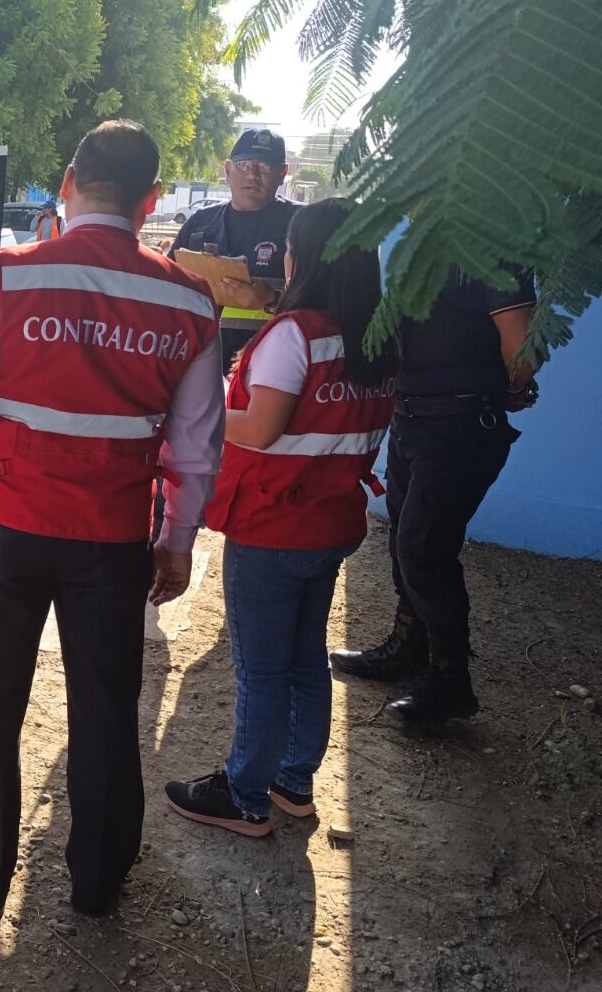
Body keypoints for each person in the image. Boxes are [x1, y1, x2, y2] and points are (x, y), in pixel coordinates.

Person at [0, 120, 225, 917]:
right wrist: (176, 542)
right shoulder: (187, 301)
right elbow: (196, 446)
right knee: (109, 709)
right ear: (151, 200)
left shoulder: (10, 275)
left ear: (68, 181)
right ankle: (98, 880)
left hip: (8, 528)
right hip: (113, 540)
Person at [163, 200, 394, 836]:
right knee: (304, 660)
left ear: (305, 257)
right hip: (329, 522)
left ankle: (244, 796)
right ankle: (293, 782)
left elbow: (260, 429)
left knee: (261, 671)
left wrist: (193, 413)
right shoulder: (375, 335)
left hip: (273, 525)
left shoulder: (296, 335)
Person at [329, 263, 539, 725]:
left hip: (460, 428)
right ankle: (409, 648)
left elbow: (523, 351)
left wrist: (504, 387)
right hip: (411, 424)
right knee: (404, 540)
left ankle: (450, 683)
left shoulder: (497, 256)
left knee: (423, 550)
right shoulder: (424, 253)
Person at [173, 129, 297, 370]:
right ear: (228, 170)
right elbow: (168, 286)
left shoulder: (301, 225)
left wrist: (272, 300)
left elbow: (327, 306)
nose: (252, 176)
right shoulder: (200, 223)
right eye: (244, 165)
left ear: (283, 174)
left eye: (264, 167)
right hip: (197, 364)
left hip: (272, 370)